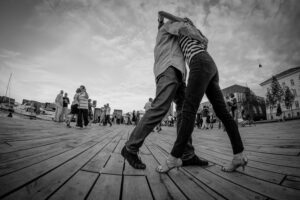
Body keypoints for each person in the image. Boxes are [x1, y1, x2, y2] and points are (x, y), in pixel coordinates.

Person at [156, 11, 247, 173]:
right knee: (222, 112)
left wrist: (162, 19)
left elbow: (163, 13)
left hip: (198, 63)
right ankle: (239, 156)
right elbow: (205, 41)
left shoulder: (183, 27)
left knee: (188, 110)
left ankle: (173, 158)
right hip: (210, 64)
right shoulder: (196, 33)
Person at [121, 11, 208, 170]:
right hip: (169, 69)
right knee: (161, 107)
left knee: (185, 111)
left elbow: (165, 19)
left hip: (177, 73)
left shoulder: (163, 33)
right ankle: (130, 148)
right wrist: (193, 28)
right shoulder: (168, 27)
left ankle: (187, 154)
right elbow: (184, 29)